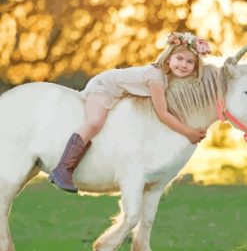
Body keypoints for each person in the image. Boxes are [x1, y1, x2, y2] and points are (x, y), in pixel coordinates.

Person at [49, 32, 211, 193]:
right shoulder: (156, 77)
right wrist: (188, 132)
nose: (184, 65)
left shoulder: (168, 79)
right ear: (168, 59)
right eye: (180, 58)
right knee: (95, 122)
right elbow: (162, 113)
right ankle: (62, 169)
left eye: (190, 62)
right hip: (104, 86)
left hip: (117, 94)